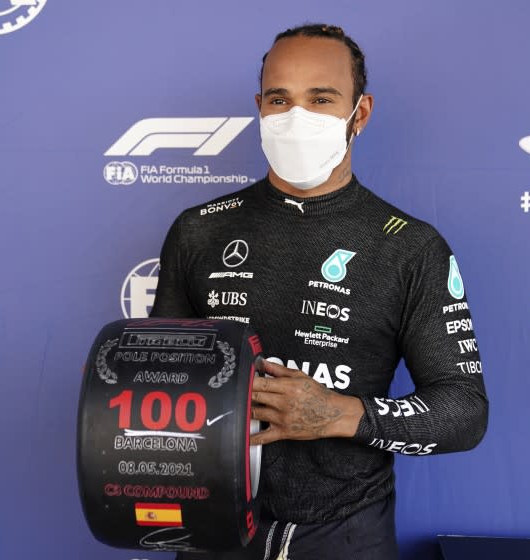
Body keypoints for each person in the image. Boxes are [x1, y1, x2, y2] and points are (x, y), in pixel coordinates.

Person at [150, 23, 488, 560]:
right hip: (213, 528)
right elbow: (159, 379)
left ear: (362, 112)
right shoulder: (200, 230)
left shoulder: (410, 248)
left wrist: (337, 414)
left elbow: (464, 412)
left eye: (321, 99)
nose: (295, 117)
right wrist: (121, 382)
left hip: (345, 532)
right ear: (259, 107)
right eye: (279, 99)